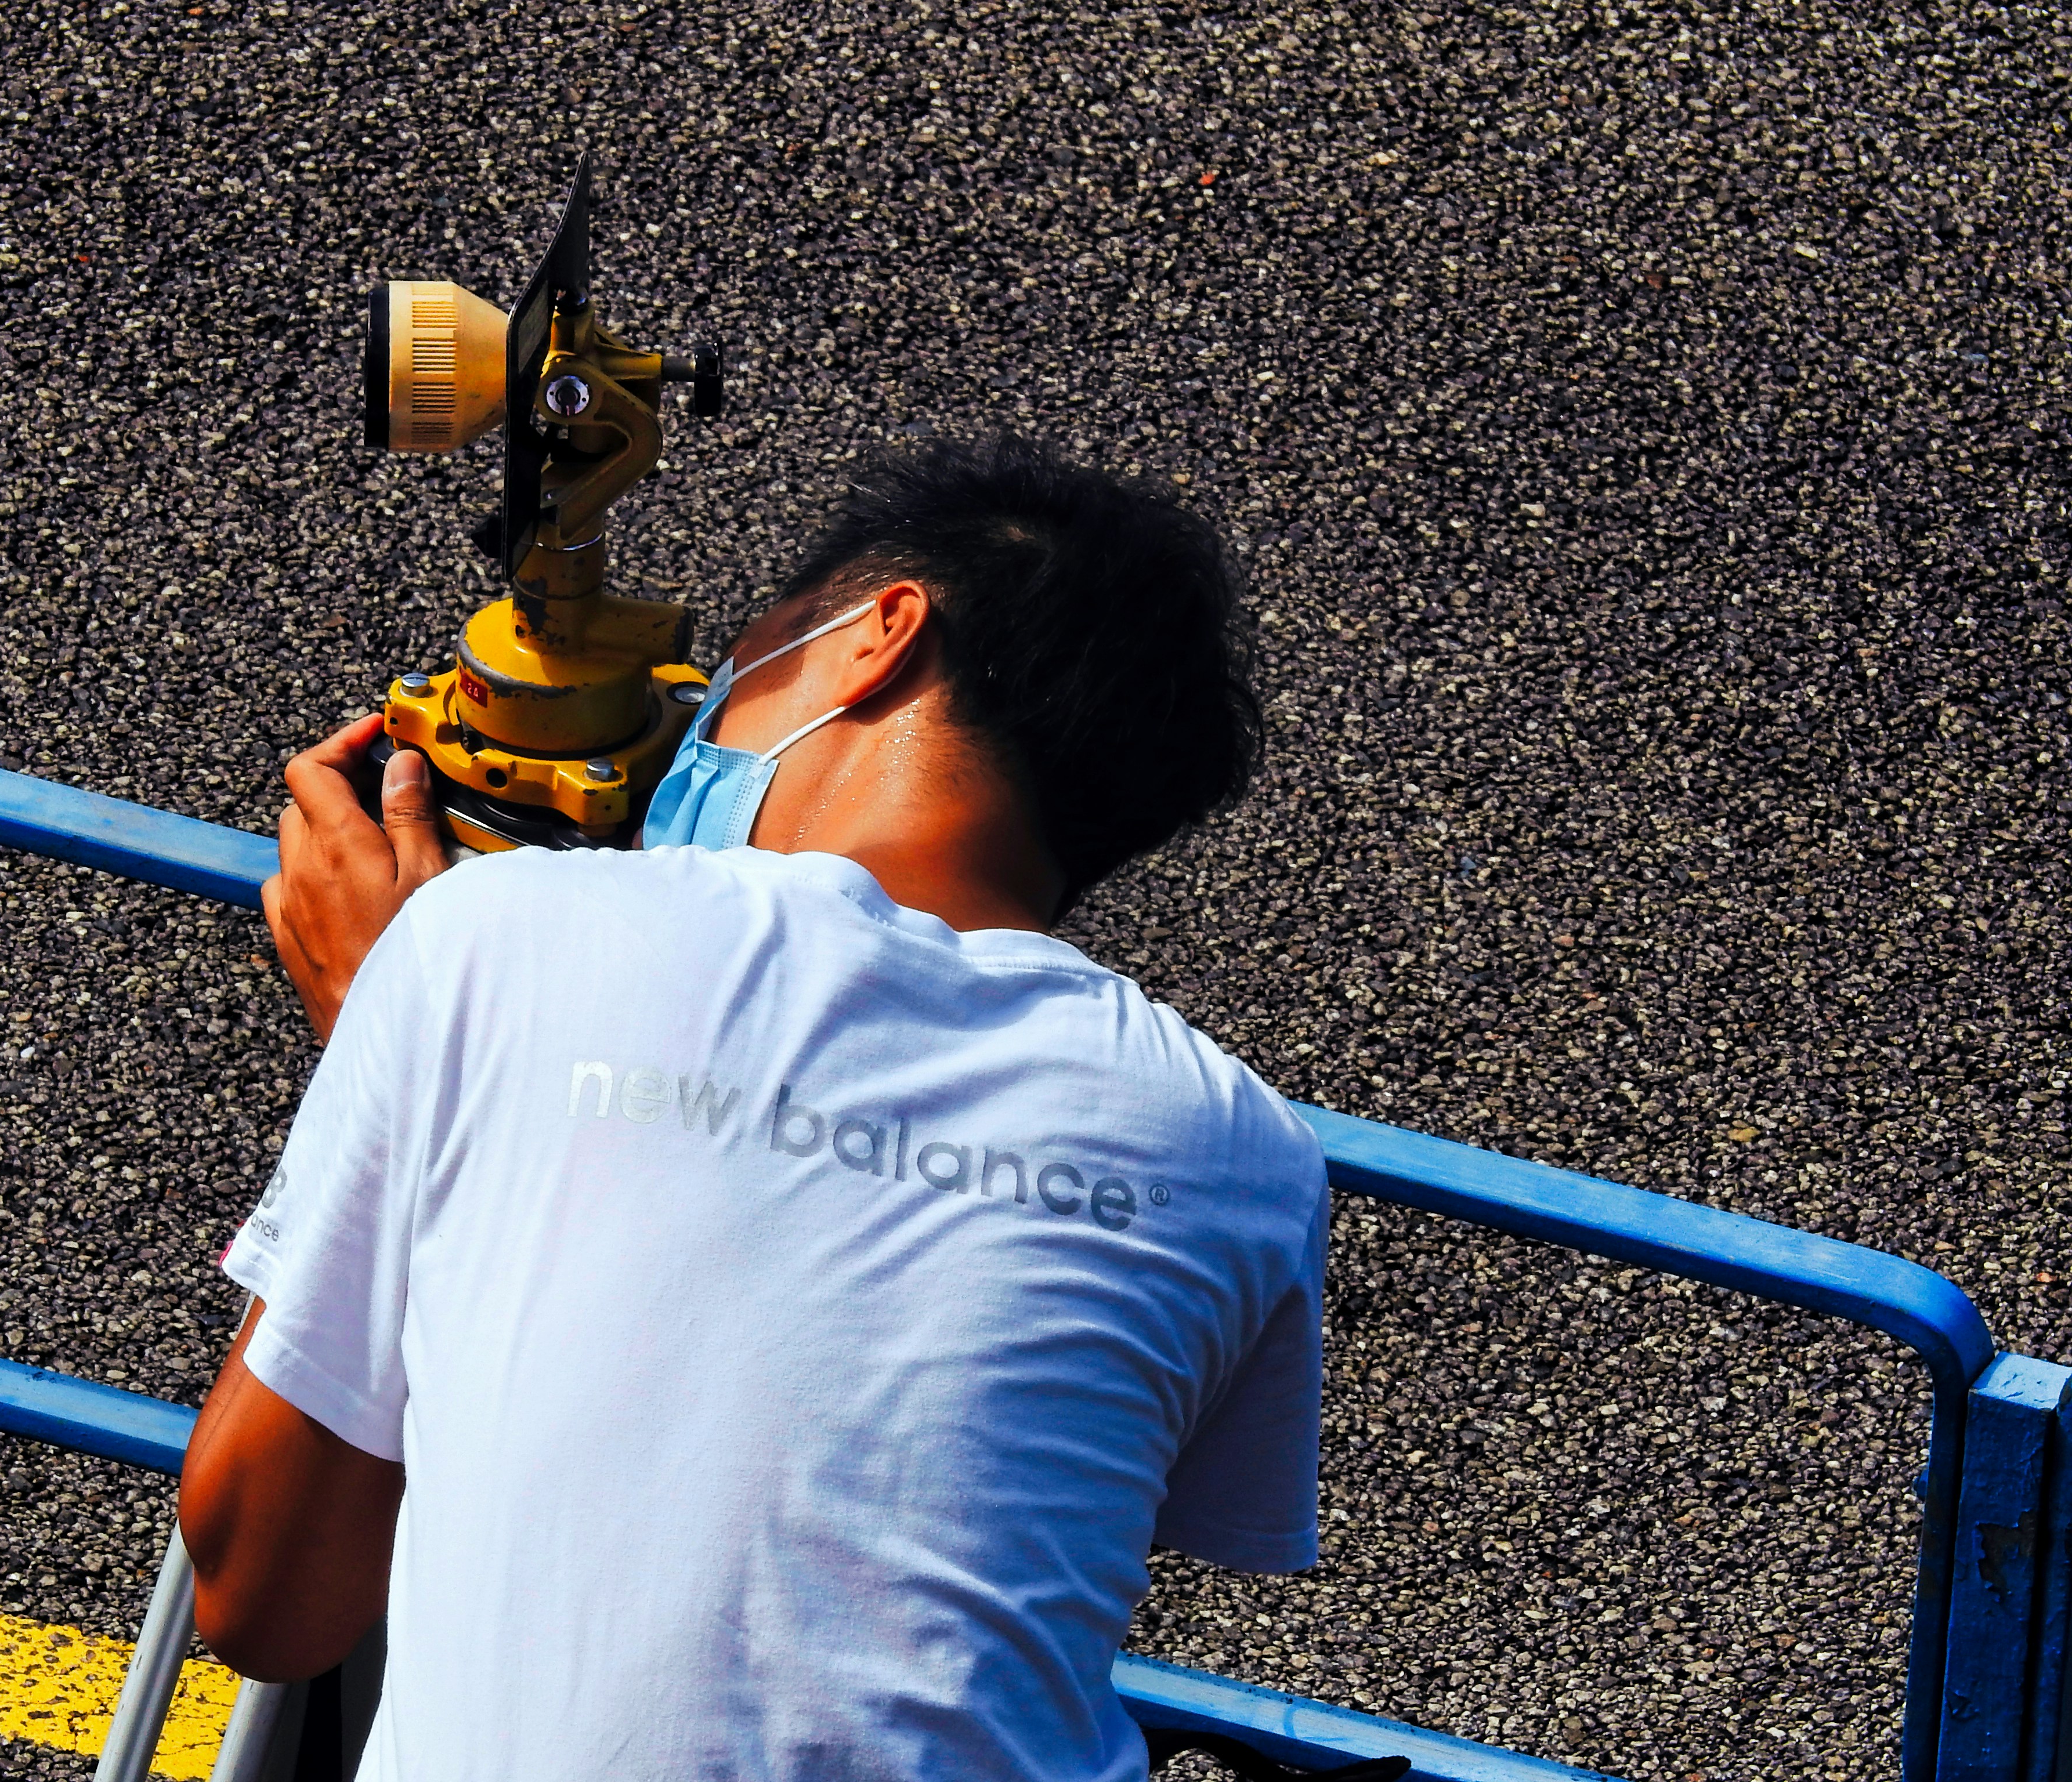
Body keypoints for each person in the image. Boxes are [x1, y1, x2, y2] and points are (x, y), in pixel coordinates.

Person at [178, 434, 1329, 1781]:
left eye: (738, 667)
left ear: (877, 636)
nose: (703, 716)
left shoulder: (495, 943)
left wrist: (384, 1020)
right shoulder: (1240, 1147)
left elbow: (267, 1597)